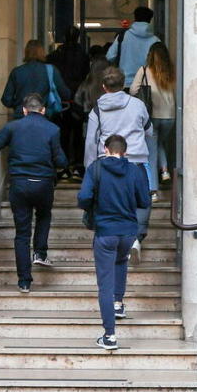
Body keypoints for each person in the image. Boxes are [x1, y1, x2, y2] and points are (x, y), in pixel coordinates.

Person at [0, 93, 67, 292]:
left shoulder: (13, 127)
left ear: (23, 110)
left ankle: (24, 281)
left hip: (19, 184)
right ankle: (40, 252)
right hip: (43, 184)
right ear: (43, 110)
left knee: (22, 233)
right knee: (44, 215)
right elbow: (62, 161)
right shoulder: (52, 129)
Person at [77, 134, 149, 351]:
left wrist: (97, 203)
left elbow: (83, 197)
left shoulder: (95, 169)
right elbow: (144, 201)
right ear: (125, 152)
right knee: (121, 263)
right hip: (128, 232)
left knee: (104, 284)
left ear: (105, 149)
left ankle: (109, 336)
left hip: (105, 232)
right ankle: (118, 304)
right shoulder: (136, 171)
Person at [84, 66, 154, 257]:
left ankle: (110, 239)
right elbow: (149, 131)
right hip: (136, 160)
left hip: (106, 163)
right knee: (142, 199)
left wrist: (90, 168)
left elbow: (91, 140)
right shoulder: (138, 105)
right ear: (123, 85)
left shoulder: (97, 110)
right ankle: (136, 238)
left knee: (109, 201)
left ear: (104, 86)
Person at [129, 41, 176, 186]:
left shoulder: (144, 70)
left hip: (152, 115)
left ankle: (152, 188)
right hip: (170, 116)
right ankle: (165, 170)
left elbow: (132, 91)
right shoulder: (171, 72)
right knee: (159, 143)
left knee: (152, 151)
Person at [47, 27, 91, 176]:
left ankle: (63, 165)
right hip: (78, 97)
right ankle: (78, 164)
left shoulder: (55, 56)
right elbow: (86, 75)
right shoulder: (83, 56)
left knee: (63, 133)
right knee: (78, 133)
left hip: (61, 98)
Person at [1, 40, 70, 119]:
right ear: (42, 52)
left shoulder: (16, 72)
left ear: (26, 52)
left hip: (21, 118)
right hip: (44, 117)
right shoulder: (51, 70)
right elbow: (65, 94)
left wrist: (19, 105)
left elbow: (6, 100)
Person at [107, 6, 160, 85]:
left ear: (135, 18)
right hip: (146, 85)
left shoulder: (123, 36)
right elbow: (160, 64)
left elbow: (110, 56)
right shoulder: (156, 41)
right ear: (150, 20)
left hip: (125, 83)